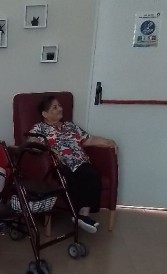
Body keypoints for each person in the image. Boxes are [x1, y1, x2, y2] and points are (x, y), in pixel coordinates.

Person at [30, 94, 117, 234]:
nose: (60, 108)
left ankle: (83, 215)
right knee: (68, 177)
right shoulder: (39, 128)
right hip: (58, 165)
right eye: (55, 107)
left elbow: (89, 139)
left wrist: (108, 142)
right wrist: (48, 149)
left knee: (92, 173)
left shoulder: (70, 126)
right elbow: (31, 143)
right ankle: (77, 215)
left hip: (79, 162)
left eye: (59, 105)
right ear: (45, 114)